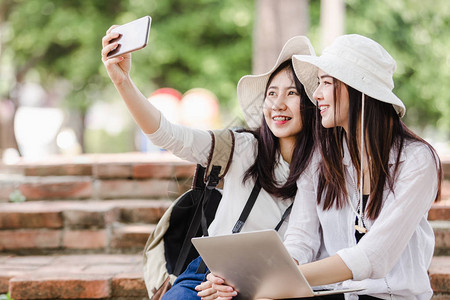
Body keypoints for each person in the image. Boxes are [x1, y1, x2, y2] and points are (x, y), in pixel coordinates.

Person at [206, 34, 443, 300]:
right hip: (337, 294)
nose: (316, 95)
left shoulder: (416, 160)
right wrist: (244, 279)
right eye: (318, 83)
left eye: (326, 83)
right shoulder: (322, 157)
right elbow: (301, 239)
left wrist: (269, 278)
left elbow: (375, 256)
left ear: (358, 89)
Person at [101, 31, 317, 299]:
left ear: (312, 103)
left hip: (275, 284)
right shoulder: (242, 147)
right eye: (272, 93)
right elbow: (167, 134)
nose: (278, 104)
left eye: (292, 92)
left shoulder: (327, 170)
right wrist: (123, 82)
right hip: (209, 274)